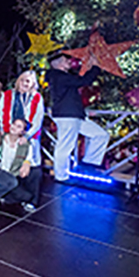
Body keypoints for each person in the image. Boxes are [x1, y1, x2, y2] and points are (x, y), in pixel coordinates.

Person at [46, 52, 109, 182]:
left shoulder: (62, 77)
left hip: (74, 115)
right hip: (67, 115)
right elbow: (84, 81)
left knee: (101, 135)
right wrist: (95, 67)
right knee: (65, 146)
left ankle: (88, 164)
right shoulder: (59, 76)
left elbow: (78, 80)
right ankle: (61, 176)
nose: (69, 62)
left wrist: (90, 65)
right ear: (57, 64)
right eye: (65, 60)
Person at [0, 70, 44, 167]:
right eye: (22, 80)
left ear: (33, 84)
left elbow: (38, 119)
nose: (24, 83)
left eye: (28, 81)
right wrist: (1, 130)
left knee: (26, 164)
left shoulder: (37, 98)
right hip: (8, 134)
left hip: (27, 135)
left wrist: (27, 136)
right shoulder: (7, 94)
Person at [0, 118, 42, 212]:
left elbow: (29, 159)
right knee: (23, 196)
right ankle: (9, 196)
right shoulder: (0, 139)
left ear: (23, 131)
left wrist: (27, 163)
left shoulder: (26, 144)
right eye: (13, 124)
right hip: (1, 175)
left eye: (18, 126)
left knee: (36, 172)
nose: (14, 127)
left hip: (15, 174)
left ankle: (32, 202)